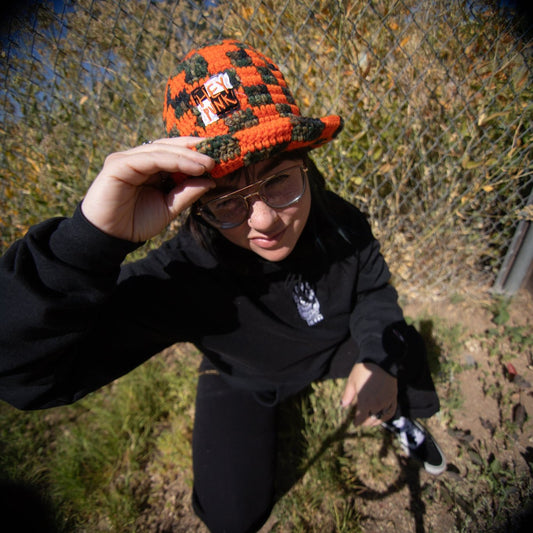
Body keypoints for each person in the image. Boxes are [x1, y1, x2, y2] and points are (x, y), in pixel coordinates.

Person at [0, 39, 445, 532]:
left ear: (305, 163)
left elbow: (373, 290)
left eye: (278, 181)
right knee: (233, 517)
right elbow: (24, 374)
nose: (264, 220)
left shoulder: (338, 217)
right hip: (246, 374)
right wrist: (89, 242)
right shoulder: (186, 275)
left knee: (402, 346)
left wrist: (375, 361)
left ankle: (399, 413)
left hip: (332, 344)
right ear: (195, 204)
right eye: (227, 200)